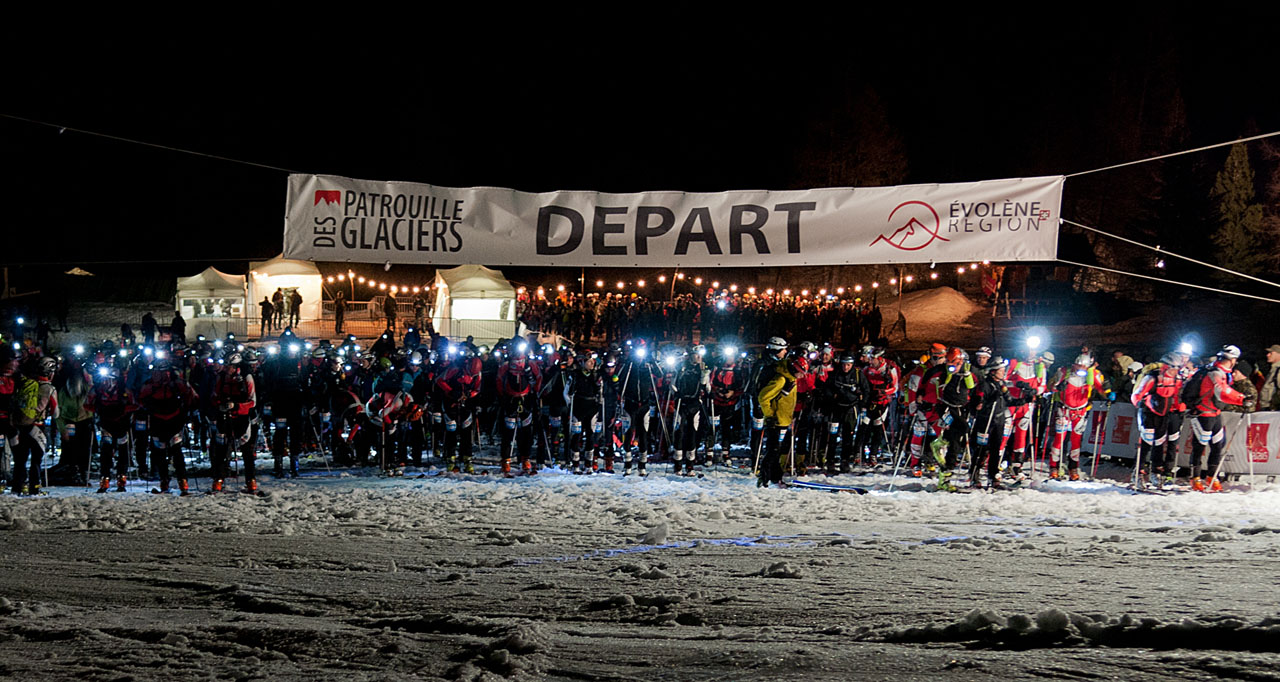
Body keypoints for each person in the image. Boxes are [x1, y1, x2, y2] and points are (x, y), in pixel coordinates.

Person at [1184, 345, 1250, 491]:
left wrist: (1241, 398)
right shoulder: (1215, 372)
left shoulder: (1223, 371)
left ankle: (1211, 477)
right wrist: (1241, 399)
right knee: (1199, 446)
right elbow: (1222, 392)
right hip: (1203, 412)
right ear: (1233, 360)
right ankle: (1195, 478)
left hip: (1215, 412)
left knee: (1218, 445)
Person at [139, 355, 196, 495]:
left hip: (174, 421)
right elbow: (140, 400)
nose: (159, 375)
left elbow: (191, 396)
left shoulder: (178, 383)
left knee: (176, 452)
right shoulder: (149, 385)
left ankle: (183, 481)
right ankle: (164, 481)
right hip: (157, 422)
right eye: (157, 372)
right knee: (159, 453)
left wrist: (186, 410)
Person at [1046, 353, 1109, 481]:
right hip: (1064, 409)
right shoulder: (1064, 372)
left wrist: (1107, 393)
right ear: (1074, 365)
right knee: (1059, 438)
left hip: (1080, 411)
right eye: (1078, 366)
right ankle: (1054, 466)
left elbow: (1102, 389)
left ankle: (1073, 467)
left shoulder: (1092, 375)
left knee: (1076, 440)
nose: (1081, 370)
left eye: (1084, 367)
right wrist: (1057, 387)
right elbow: (1051, 386)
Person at [1131, 350, 1189, 487]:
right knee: (1146, 443)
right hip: (1148, 414)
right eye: (1174, 367)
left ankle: (1155, 472)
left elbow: (1174, 396)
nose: (1177, 370)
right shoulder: (1153, 378)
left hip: (1164, 414)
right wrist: (1139, 403)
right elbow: (1136, 394)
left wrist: (1180, 405)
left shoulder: (1176, 380)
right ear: (1166, 366)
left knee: (1159, 444)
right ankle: (1137, 473)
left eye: (1178, 367)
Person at [212, 351, 259, 493]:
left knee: (246, 450)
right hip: (225, 416)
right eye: (226, 366)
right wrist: (220, 404)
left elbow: (253, 401)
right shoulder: (221, 377)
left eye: (230, 366)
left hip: (242, 417)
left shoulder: (246, 377)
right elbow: (214, 395)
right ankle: (218, 481)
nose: (227, 369)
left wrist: (236, 406)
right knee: (221, 450)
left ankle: (251, 481)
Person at [10, 355, 58, 495]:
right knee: (36, 460)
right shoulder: (49, 389)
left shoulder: (28, 384)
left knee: (20, 459)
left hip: (22, 425)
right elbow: (56, 413)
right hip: (38, 427)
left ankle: (17, 487)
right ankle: (34, 487)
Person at [756, 351, 803, 487]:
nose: (802, 376)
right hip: (775, 421)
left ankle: (776, 477)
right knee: (772, 451)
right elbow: (763, 397)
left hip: (784, 420)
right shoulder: (781, 379)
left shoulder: (791, 379)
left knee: (777, 450)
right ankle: (763, 478)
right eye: (800, 372)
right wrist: (769, 415)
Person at [86, 363, 136, 493]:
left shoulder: (124, 391)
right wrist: (99, 409)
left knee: (123, 452)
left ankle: (122, 479)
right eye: (105, 379)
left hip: (121, 424)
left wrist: (122, 410)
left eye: (110, 379)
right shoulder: (96, 389)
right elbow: (86, 404)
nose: (106, 382)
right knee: (106, 451)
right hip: (106, 424)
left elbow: (135, 405)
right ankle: (105, 478)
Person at [1260, 345, 1280, 410]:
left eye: (1271, 353)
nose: (1268, 355)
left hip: (1273, 409)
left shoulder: (1278, 370)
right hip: (1268, 408)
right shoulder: (1274, 369)